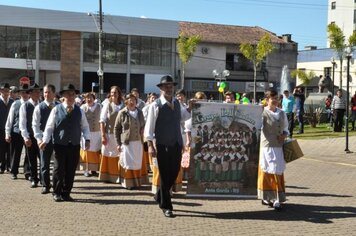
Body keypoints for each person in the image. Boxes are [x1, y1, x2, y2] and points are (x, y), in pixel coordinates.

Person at [144, 75, 192, 218]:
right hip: (162, 144)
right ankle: (166, 206)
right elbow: (149, 128)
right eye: (166, 86)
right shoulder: (155, 105)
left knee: (174, 171)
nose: (169, 88)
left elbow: (183, 117)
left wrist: (189, 107)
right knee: (165, 175)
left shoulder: (177, 103)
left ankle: (159, 195)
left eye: (171, 86)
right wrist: (150, 145)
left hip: (177, 143)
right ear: (161, 89)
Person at [39, 84, 91, 202]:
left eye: (73, 94)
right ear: (63, 96)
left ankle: (66, 192)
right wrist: (45, 141)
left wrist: (87, 139)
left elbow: (85, 127)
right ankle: (56, 192)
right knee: (59, 169)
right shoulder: (56, 109)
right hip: (60, 144)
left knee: (70, 169)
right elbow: (49, 127)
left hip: (74, 145)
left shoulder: (79, 110)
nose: (71, 96)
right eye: (68, 94)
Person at [257, 89, 288, 211]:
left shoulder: (281, 113)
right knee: (266, 172)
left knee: (277, 172)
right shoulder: (262, 112)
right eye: (272, 99)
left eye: (276, 99)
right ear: (267, 100)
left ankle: (277, 199)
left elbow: (286, 128)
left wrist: (284, 135)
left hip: (278, 147)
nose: (275, 101)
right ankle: (266, 197)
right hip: (266, 147)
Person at [114, 93, 146, 189]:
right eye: (130, 100)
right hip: (127, 142)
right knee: (127, 163)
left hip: (138, 142)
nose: (132, 102)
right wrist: (118, 143)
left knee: (136, 163)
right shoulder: (122, 113)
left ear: (136, 102)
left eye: (134, 100)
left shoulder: (140, 112)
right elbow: (116, 129)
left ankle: (137, 182)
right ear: (126, 102)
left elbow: (143, 124)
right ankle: (128, 183)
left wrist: (143, 128)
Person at [32, 84, 57, 194]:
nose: (46, 94)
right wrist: (38, 139)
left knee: (58, 164)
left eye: (49, 92)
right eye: (45, 92)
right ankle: (46, 185)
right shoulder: (39, 107)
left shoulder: (59, 106)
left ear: (54, 93)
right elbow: (35, 125)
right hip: (44, 139)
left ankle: (57, 185)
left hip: (57, 139)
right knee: (44, 164)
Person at [99, 86, 124, 183]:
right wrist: (103, 135)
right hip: (109, 134)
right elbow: (102, 121)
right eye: (112, 92)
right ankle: (108, 176)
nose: (114, 94)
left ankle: (119, 175)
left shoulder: (123, 105)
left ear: (119, 93)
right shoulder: (107, 105)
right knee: (108, 154)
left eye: (116, 92)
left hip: (121, 135)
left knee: (120, 155)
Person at [5, 84, 31, 180]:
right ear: (20, 93)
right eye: (23, 92)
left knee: (28, 154)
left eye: (26, 92)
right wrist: (7, 133)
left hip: (28, 133)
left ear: (29, 94)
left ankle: (27, 172)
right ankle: (14, 171)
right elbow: (10, 119)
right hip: (16, 132)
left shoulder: (31, 104)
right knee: (15, 153)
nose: (24, 94)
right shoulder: (15, 104)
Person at [19, 83, 41, 188]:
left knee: (43, 159)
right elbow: (22, 123)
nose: (38, 93)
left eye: (38, 91)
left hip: (41, 136)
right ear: (30, 93)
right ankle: (34, 178)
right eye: (36, 91)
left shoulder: (42, 104)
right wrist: (26, 137)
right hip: (30, 136)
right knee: (32, 159)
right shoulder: (25, 106)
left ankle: (43, 178)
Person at [79, 92, 101, 177]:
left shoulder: (99, 106)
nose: (89, 99)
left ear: (94, 98)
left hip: (96, 132)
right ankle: (86, 169)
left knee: (95, 151)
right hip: (86, 132)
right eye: (87, 98)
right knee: (86, 150)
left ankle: (94, 169)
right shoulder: (83, 108)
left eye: (90, 97)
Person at [0, 83, 14, 174]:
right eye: (4, 91)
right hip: (0, 129)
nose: (6, 93)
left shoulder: (12, 102)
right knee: (1, 149)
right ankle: (2, 166)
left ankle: (9, 166)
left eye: (7, 91)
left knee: (10, 149)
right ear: (1, 91)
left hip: (10, 129)